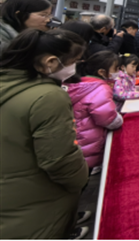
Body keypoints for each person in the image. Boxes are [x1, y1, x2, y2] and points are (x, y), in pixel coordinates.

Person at [0, 29, 90, 239]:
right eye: (74, 61)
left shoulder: (9, 85)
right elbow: (59, 159)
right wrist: (81, 180)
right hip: (36, 197)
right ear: (50, 62)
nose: (75, 67)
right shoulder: (48, 97)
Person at [65, 51, 123, 171]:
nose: (118, 72)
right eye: (116, 69)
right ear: (101, 72)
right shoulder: (99, 87)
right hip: (89, 141)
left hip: (76, 138)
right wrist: (119, 119)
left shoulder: (80, 83)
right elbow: (108, 118)